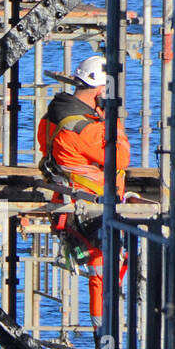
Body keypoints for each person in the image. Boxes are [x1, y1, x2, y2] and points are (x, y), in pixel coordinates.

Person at [38, 53, 130, 333]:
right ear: (101, 91)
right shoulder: (87, 128)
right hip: (90, 208)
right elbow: (121, 157)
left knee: (102, 272)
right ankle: (106, 340)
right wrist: (111, 121)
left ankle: (104, 338)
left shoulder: (54, 115)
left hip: (70, 203)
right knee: (104, 274)